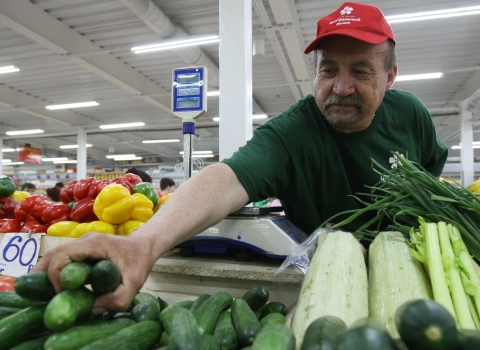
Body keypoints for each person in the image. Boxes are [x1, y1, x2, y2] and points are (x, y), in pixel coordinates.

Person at [34, 2, 448, 313]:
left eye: (360, 71)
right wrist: (144, 243)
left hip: (406, 277)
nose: (340, 87)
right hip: (328, 285)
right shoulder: (293, 132)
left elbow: (431, 180)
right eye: (328, 70)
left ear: (390, 77)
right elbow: (227, 179)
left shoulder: (411, 115)